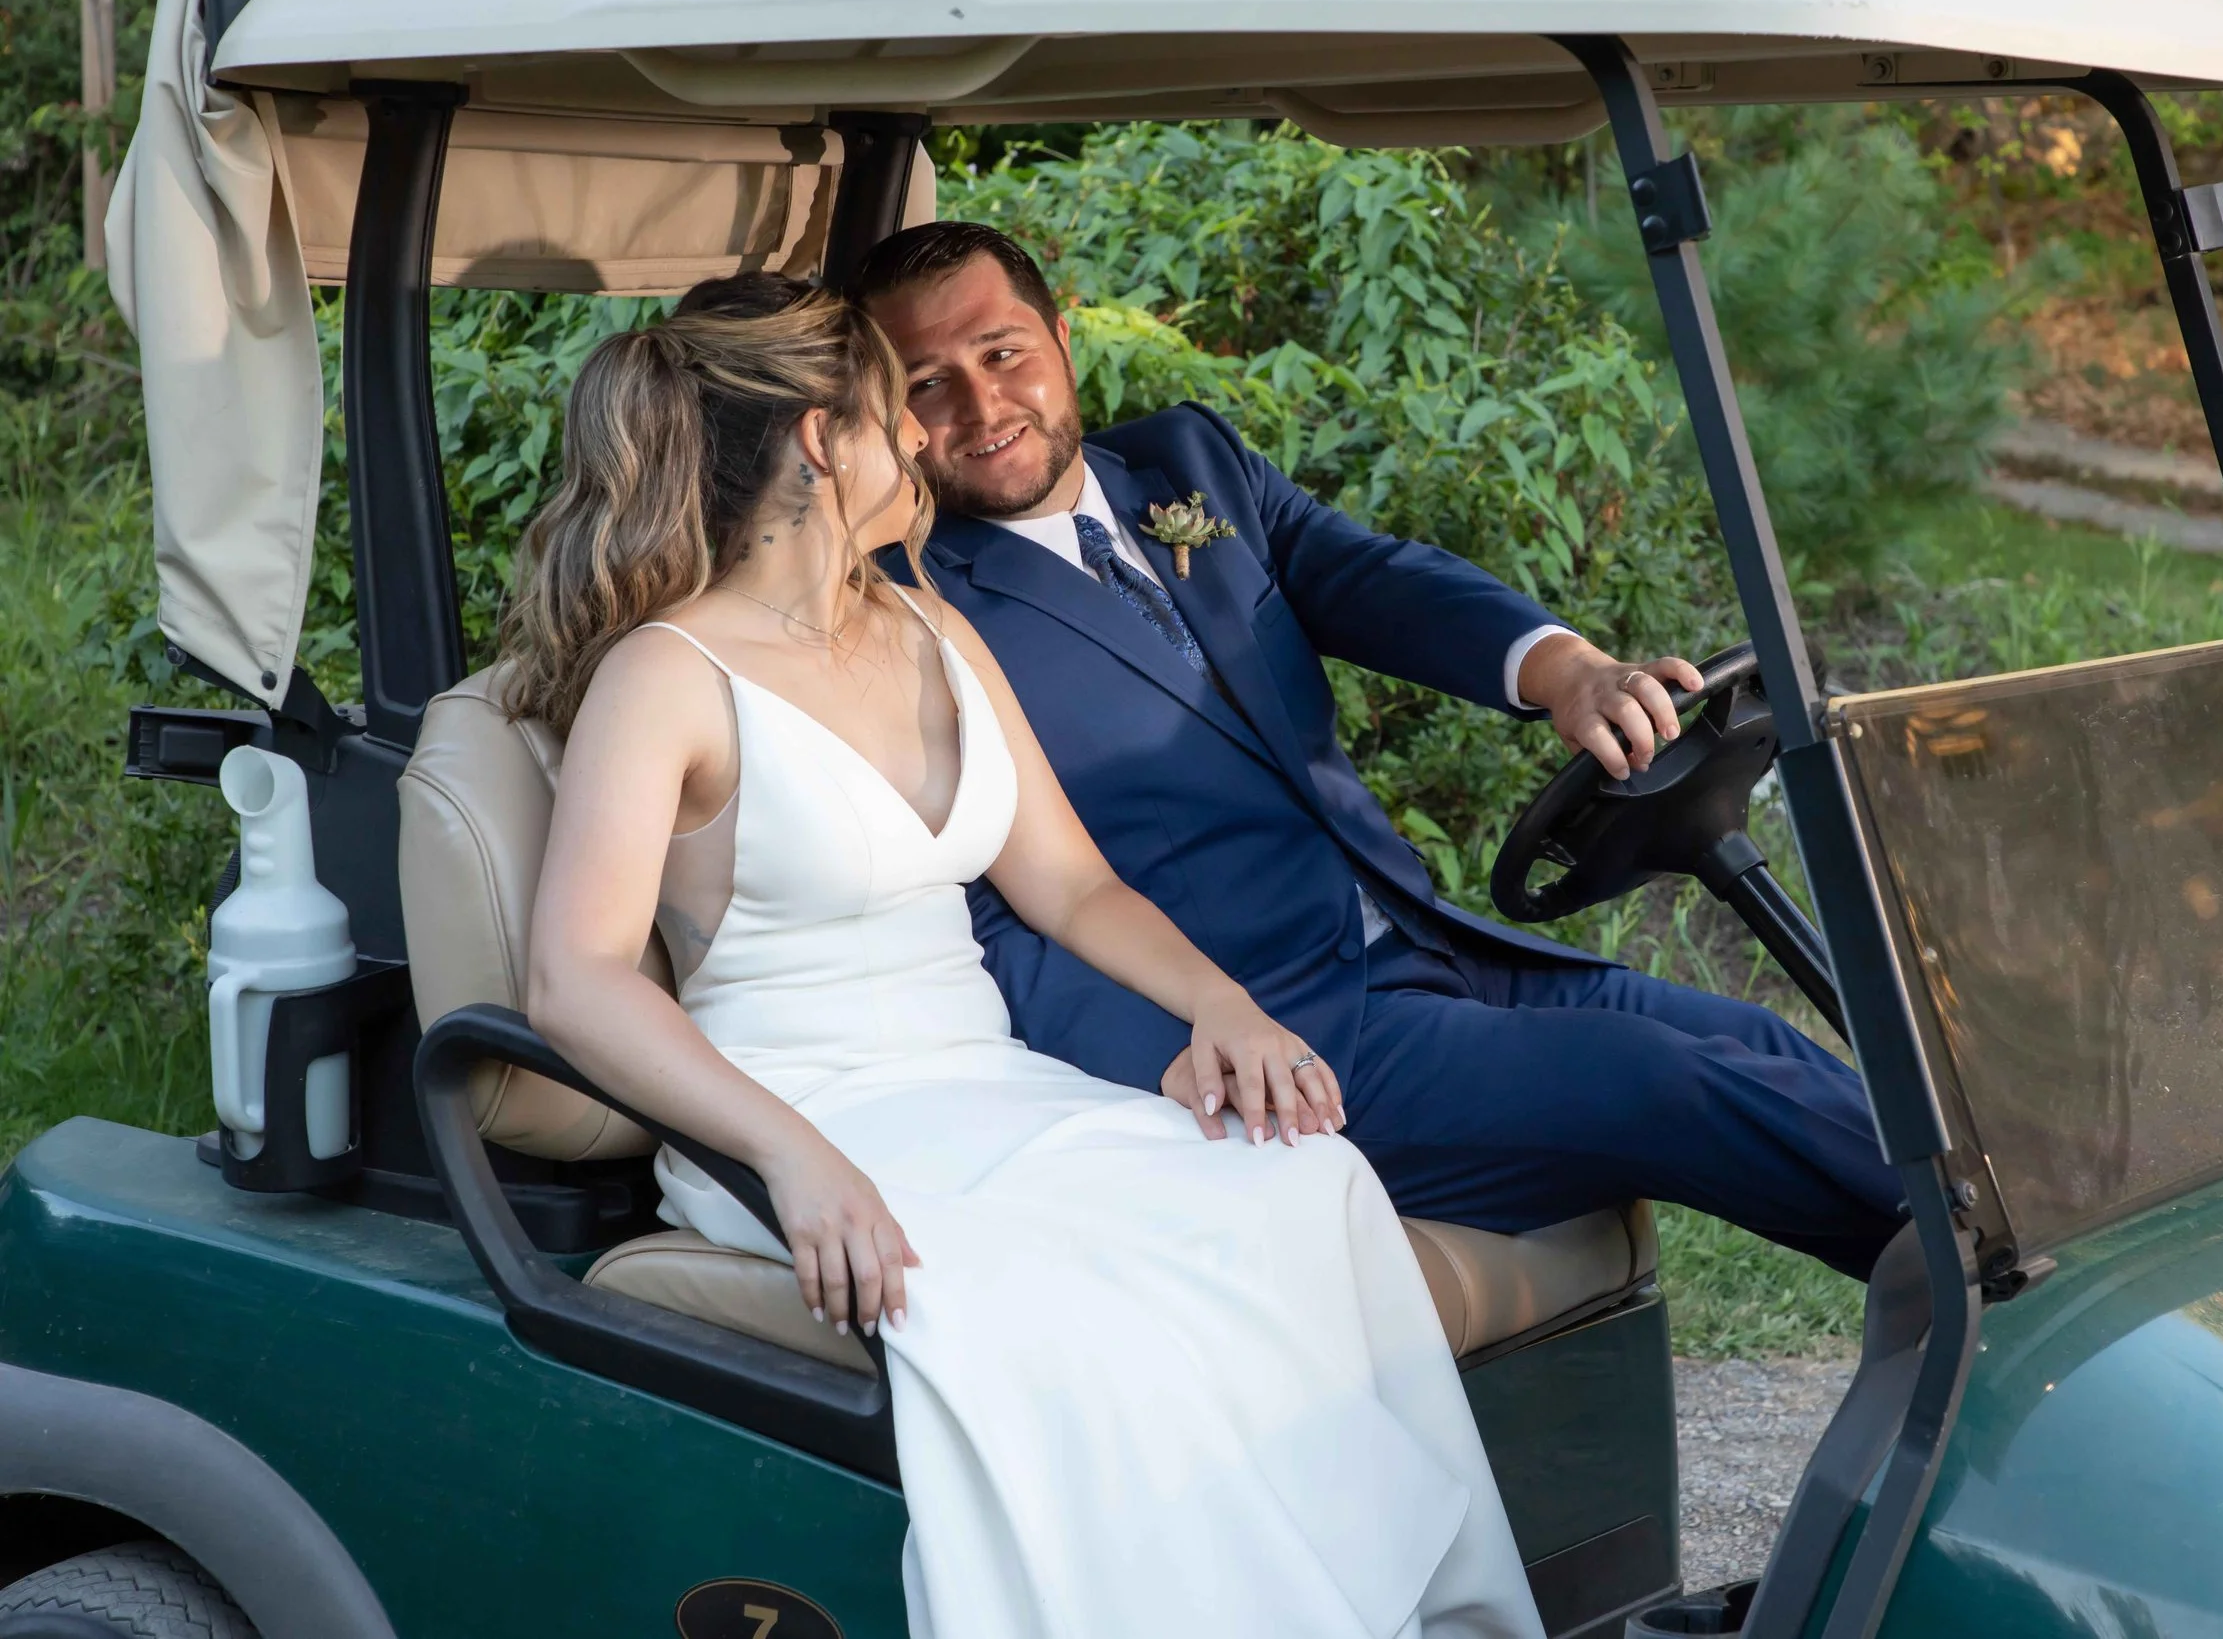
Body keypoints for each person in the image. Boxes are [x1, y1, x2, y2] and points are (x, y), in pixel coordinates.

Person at [510, 286, 1541, 1638]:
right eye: (901, 413)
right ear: (826, 443)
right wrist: (792, 1156)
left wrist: (1222, 1005)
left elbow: (1069, 880)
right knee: (1081, 1310)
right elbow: (576, 977)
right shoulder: (670, 673)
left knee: (1305, 1182)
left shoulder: (926, 626)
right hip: (801, 1113)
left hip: (984, 1088)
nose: (931, 443)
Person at [839, 222, 1903, 1279]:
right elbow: (975, 915)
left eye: (1002, 353)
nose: (981, 409)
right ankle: (1998, 1281)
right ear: (887, 416)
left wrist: (1567, 671)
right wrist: (1168, 1060)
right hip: (1290, 1040)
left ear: (1062, 339)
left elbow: (1372, 579)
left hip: (1436, 954)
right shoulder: (907, 606)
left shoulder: (1182, 464)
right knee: (1667, 1080)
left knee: (1749, 1039)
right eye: (927, 384)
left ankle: (2025, 1239)